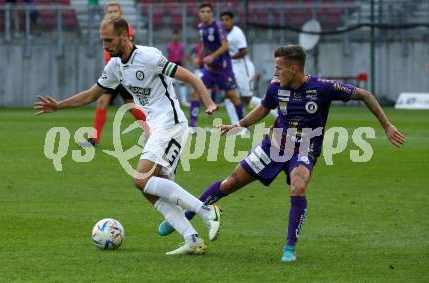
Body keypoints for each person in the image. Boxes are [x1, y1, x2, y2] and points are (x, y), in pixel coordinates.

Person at [158, 44, 406, 262]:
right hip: (274, 145)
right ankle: (184, 216)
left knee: (298, 187)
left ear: (294, 70)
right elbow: (264, 109)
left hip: (305, 148)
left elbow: (365, 94)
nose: (274, 72)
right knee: (230, 183)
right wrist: (239, 125)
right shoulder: (276, 87)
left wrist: (386, 125)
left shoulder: (323, 88)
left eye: (279, 67)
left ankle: (289, 248)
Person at [34, 16, 222, 255]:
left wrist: (208, 103)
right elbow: (91, 94)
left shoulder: (149, 56)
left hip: (171, 124)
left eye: (109, 40)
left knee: (140, 179)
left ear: (124, 35)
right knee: (150, 190)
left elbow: (191, 77)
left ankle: (206, 211)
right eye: (103, 40)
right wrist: (59, 105)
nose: (105, 45)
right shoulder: (115, 66)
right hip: (157, 127)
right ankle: (191, 238)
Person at [81, 2, 148, 147]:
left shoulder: (126, 30)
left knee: (130, 105)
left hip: (123, 73)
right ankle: (95, 140)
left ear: (120, 12)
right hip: (112, 74)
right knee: (102, 102)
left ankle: (152, 132)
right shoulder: (107, 29)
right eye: (109, 11)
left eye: (115, 11)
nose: (112, 13)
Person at [189, 2, 243, 131]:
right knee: (195, 92)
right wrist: (198, 57)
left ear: (212, 13)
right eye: (202, 11)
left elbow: (225, 45)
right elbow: (204, 45)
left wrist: (212, 56)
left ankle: (243, 125)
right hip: (209, 70)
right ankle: (192, 127)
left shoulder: (218, 26)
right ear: (199, 14)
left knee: (233, 96)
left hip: (223, 69)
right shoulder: (201, 27)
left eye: (208, 11)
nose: (205, 14)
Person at [220, 11, 278, 120]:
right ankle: (236, 126)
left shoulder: (237, 33)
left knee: (247, 98)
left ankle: (275, 111)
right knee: (229, 95)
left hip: (243, 68)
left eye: (227, 19)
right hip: (231, 68)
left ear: (232, 20)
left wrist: (229, 58)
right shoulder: (222, 34)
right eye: (222, 20)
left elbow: (243, 51)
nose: (224, 22)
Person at [167, 30, 189, 107]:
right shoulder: (169, 46)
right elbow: (168, 56)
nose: (175, 37)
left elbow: (183, 56)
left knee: (182, 84)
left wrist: (183, 66)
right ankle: (173, 100)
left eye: (176, 35)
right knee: (172, 84)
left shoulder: (181, 46)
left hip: (179, 66)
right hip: (172, 66)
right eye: (174, 35)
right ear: (172, 36)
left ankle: (184, 101)